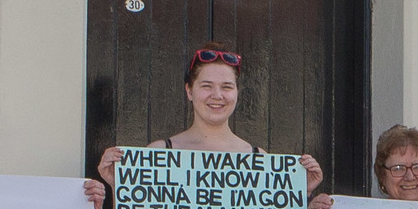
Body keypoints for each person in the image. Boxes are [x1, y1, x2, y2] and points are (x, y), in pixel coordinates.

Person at [94, 47, 324, 194]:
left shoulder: (259, 159)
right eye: (206, 86)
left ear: (237, 93)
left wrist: (298, 193)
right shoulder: (159, 154)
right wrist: (121, 187)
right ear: (189, 91)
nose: (217, 96)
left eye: (226, 87)